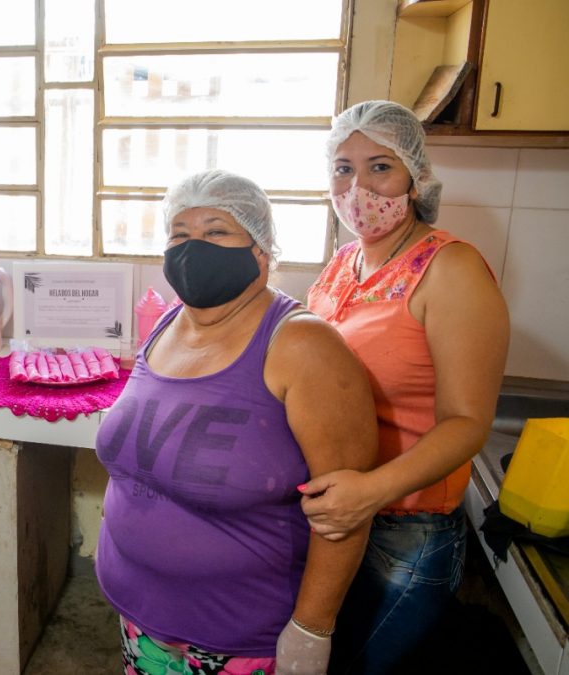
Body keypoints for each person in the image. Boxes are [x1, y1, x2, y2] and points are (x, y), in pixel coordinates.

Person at [94, 169, 379, 675]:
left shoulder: (303, 346)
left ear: (261, 250)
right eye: (179, 234)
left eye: (216, 231)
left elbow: (344, 510)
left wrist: (312, 629)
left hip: (237, 641)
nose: (192, 247)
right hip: (140, 622)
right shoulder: (168, 322)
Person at [302, 100, 510, 674]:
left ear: (415, 178)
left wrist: (369, 493)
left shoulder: (452, 270)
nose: (357, 186)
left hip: (405, 531)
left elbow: (467, 423)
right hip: (337, 517)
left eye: (380, 167)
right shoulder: (345, 262)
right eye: (343, 168)